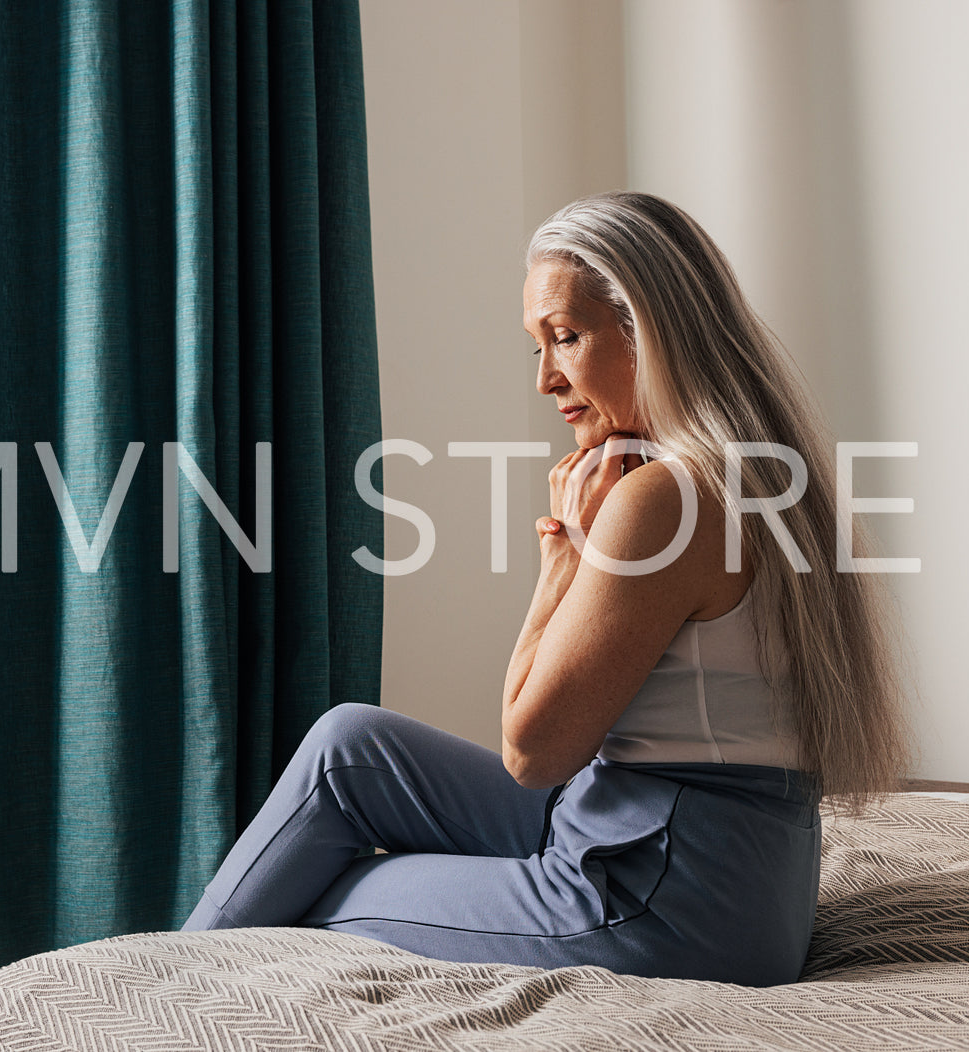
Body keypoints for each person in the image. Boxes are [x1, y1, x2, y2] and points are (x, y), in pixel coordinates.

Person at [181, 191, 910, 986]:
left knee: (323, 888)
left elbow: (534, 752)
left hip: (665, 900)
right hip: (707, 863)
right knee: (347, 748)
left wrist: (562, 565)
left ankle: (156, 988)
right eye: (535, 346)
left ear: (651, 332)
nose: (544, 379)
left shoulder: (665, 497)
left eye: (565, 338)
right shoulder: (771, 475)